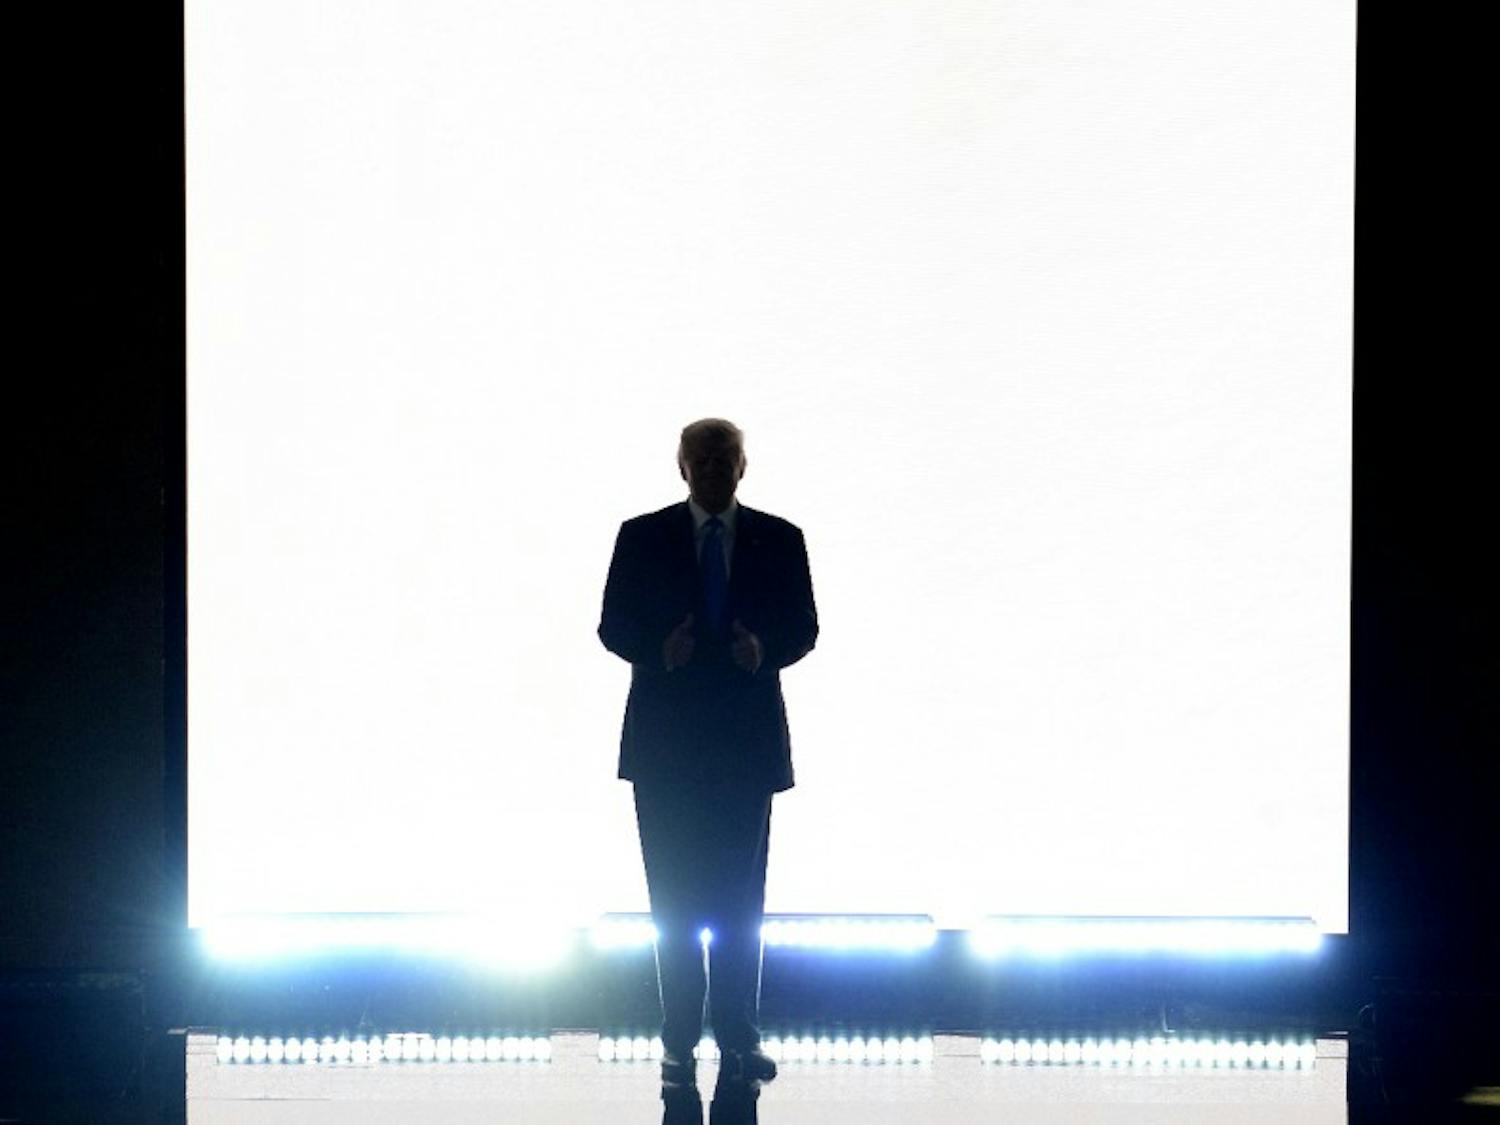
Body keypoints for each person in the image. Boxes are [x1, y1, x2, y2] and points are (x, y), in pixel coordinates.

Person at [598, 418, 818, 1120]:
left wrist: (767, 646)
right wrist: (660, 648)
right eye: (704, 459)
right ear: (682, 466)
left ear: (744, 465)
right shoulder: (642, 536)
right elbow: (611, 625)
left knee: (738, 905)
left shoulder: (780, 539)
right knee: (674, 903)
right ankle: (677, 1040)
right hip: (668, 749)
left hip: (744, 749)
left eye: (727, 458)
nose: (717, 469)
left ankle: (738, 1037)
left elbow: (805, 626)